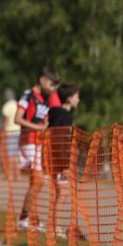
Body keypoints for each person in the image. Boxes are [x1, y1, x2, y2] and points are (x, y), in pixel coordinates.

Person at [14, 66, 61, 231]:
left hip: (39, 143)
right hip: (28, 142)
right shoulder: (29, 95)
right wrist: (37, 127)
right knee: (39, 180)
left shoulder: (48, 97)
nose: (53, 88)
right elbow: (17, 119)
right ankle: (23, 218)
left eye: (56, 85)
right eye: (51, 84)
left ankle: (29, 218)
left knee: (36, 181)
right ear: (42, 80)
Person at [46, 82, 80, 236]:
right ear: (69, 99)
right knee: (63, 192)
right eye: (76, 96)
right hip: (60, 160)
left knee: (59, 192)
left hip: (51, 156)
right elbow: (62, 140)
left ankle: (53, 225)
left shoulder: (53, 114)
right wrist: (65, 164)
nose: (78, 100)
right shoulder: (65, 116)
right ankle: (56, 227)